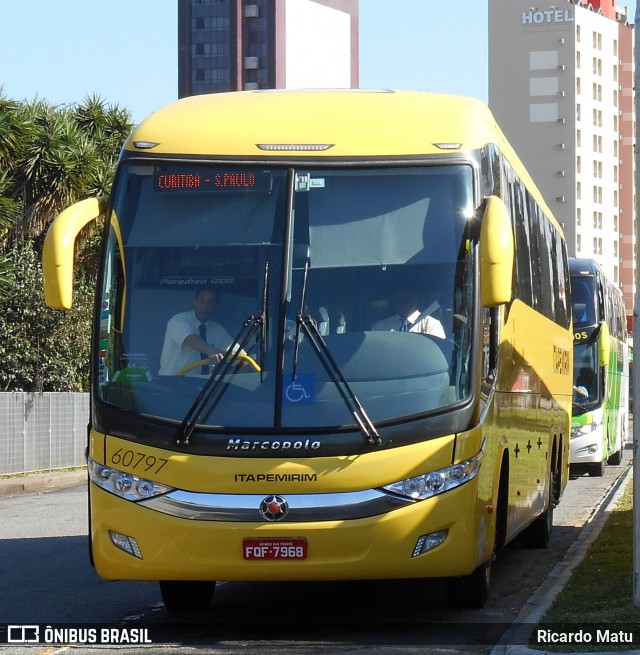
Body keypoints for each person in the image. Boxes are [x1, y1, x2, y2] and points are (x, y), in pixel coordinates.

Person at [159, 286, 239, 376]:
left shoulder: (218, 330)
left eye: (210, 302)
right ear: (195, 302)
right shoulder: (178, 320)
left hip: (204, 388)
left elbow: (240, 358)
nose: (205, 306)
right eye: (201, 300)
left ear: (216, 306)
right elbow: (191, 339)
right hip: (170, 385)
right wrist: (212, 351)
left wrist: (247, 368)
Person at [372, 284, 446, 338]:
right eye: (396, 300)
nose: (400, 304)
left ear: (416, 300)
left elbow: (437, 352)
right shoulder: (380, 327)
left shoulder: (431, 325)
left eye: (405, 299)